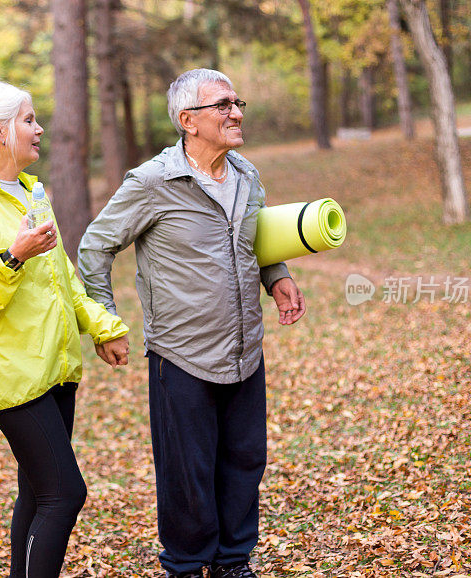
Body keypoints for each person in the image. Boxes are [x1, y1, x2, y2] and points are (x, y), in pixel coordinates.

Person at [77, 69, 306, 578]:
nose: (237, 113)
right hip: (181, 355)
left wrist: (278, 277)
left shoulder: (245, 173)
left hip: (246, 348)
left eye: (236, 102)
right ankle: (185, 564)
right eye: (222, 106)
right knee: (187, 473)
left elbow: (258, 239)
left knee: (246, 460)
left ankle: (232, 562)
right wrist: (104, 321)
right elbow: (95, 247)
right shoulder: (152, 183)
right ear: (187, 121)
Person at [0, 81, 130, 578]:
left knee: (38, 494)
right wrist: (12, 257)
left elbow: (61, 277)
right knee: (65, 494)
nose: (39, 128)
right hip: (8, 373)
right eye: (28, 119)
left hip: (53, 367)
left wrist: (102, 327)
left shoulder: (31, 192)